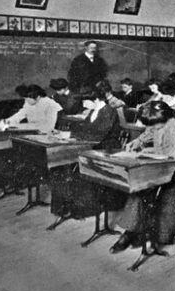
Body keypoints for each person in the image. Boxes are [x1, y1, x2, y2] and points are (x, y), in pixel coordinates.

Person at [110, 101, 175, 254]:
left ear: (164, 118)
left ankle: (148, 235)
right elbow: (148, 133)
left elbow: (173, 153)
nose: (154, 128)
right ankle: (131, 231)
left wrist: (146, 152)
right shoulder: (157, 121)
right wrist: (136, 142)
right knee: (139, 186)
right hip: (162, 164)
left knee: (154, 190)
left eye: (156, 125)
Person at [50, 87, 122, 223]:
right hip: (93, 145)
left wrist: (71, 135)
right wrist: (65, 132)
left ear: (94, 100)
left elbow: (99, 134)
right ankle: (67, 206)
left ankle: (84, 208)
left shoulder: (109, 111)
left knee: (78, 170)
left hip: (106, 149)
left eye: (86, 102)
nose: (84, 105)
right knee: (60, 168)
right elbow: (84, 127)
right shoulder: (94, 111)